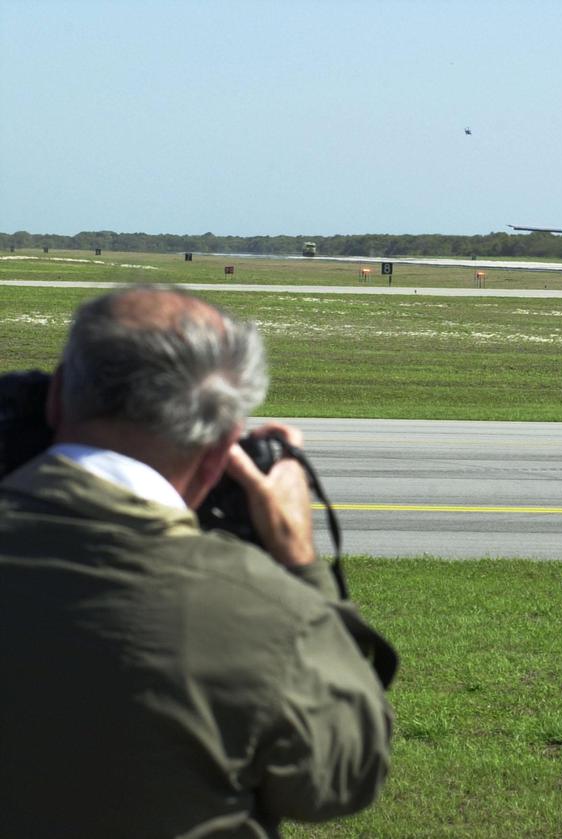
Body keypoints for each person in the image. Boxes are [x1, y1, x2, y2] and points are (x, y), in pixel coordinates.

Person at [0, 285, 393, 838]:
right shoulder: (267, 614)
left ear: (57, 394)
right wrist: (301, 563)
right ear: (223, 447)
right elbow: (345, 776)